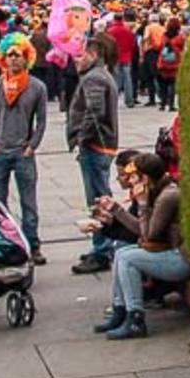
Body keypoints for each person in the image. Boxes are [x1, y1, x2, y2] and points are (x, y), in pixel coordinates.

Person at [94, 153, 190, 341]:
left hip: (181, 259)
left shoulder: (167, 196)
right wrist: (116, 210)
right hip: (171, 252)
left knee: (128, 259)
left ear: (145, 178)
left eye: (134, 176)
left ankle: (135, 319)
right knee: (122, 252)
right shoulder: (159, 191)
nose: (130, 181)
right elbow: (141, 230)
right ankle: (120, 310)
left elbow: (148, 234)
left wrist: (143, 203)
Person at [0, 46, 49, 266]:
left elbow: (41, 120)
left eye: (17, 55)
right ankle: (6, 244)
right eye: (9, 55)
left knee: (29, 203)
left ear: (26, 58)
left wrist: (32, 145)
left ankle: (33, 245)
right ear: (2, 58)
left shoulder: (37, 86)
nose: (13, 59)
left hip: (23, 152)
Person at [66, 34, 119, 274]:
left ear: (94, 55)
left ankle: (102, 249)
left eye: (82, 54)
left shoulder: (94, 78)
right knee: (100, 196)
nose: (78, 58)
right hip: (101, 145)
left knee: (98, 199)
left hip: (95, 146)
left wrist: (80, 139)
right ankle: (103, 244)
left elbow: (94, 112)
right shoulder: (99, 75)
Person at [107, 13, 138, 109]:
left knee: (115, 79)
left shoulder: (110, 31)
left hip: (115, 57)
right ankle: (129, 100)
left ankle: (114, 101)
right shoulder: (128, 31)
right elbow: (133, 44)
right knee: (128, 79)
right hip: (127, 56)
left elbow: (109, 45)